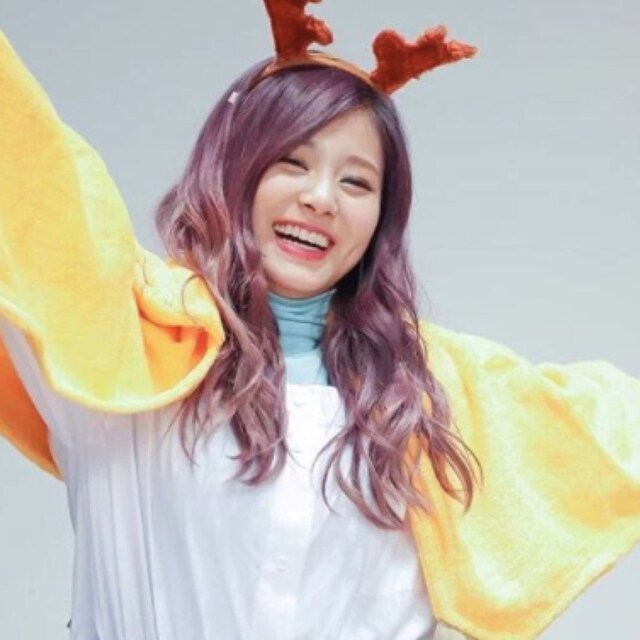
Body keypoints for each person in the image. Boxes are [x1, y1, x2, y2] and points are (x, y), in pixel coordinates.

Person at [0, 3, 638, 639]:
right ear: (234, 170)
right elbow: (26, 160)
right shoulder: (127, 339)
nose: (320, 198)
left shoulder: (435, 396)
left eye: (356, 182)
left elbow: (609, 429)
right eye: (292, 162)